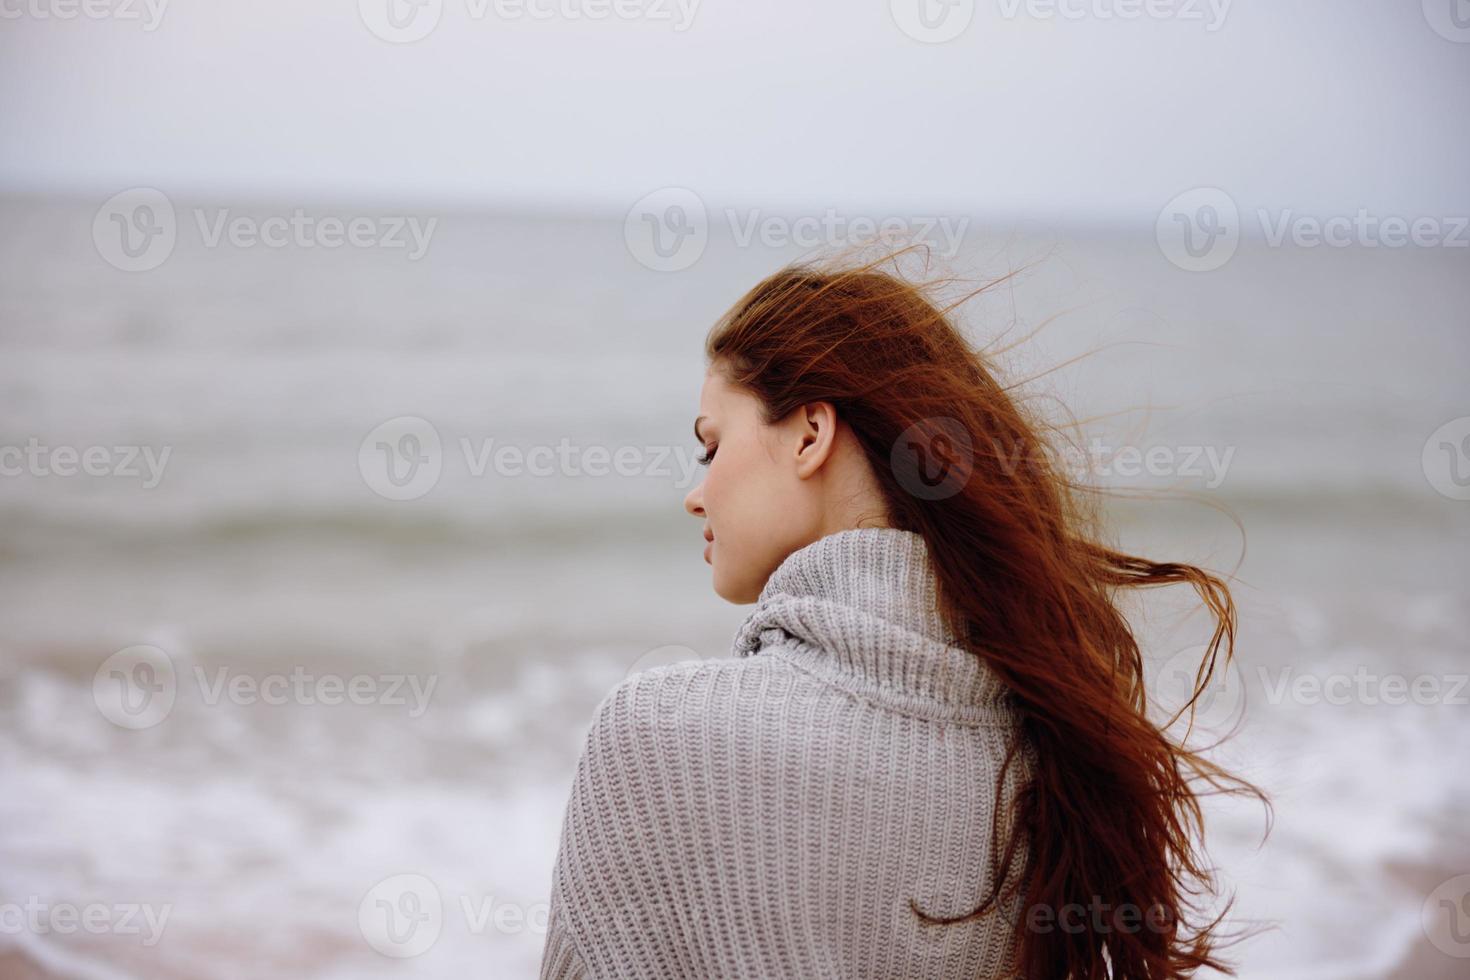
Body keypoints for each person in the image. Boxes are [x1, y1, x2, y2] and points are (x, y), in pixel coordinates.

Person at [539, 255, 1262, 979]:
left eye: (711, 444)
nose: (695, 495)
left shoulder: (656, 737)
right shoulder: (1044, 762)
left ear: (809, 434)